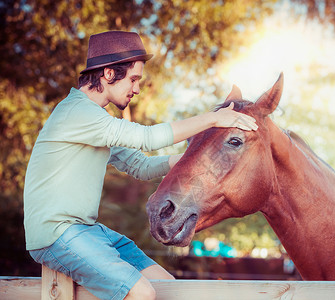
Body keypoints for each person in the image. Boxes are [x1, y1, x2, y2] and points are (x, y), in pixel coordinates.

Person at [23, 31, 257, 300]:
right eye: (133, 79)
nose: (136, 88)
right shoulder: (77, 113)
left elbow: (140, 166)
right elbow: (147, 138)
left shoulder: (97, 121)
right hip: (57, 234)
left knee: (169, 287)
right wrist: (213, 120)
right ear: (109, 74)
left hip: (87, 231)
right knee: (141, 293)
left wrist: (193, 159)